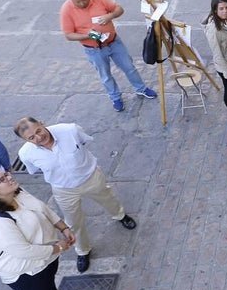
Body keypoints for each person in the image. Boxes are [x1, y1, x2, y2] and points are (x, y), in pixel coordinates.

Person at [14, 117, 138, 273]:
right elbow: (33, 169)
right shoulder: (26, 153)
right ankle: (83, 251)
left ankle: (120, 215)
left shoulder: (70, 130)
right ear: (25, 140)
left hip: (90, 177)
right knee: (73, 222)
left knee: (108, 199)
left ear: (41, 123)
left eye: (38, 131)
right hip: (63, 189)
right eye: (31, 138)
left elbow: (84, 142)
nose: (38, 138)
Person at [59, 0, 157, 112]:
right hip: (93, 49)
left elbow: (119, 9)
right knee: (105, 75)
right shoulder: (66, 10)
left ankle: (141, 89)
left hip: (113, 42)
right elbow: (68, 35)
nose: (83, 3)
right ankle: (115, 97)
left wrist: (110, 16)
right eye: (78, 2)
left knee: (129, 67)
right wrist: (86, 35)